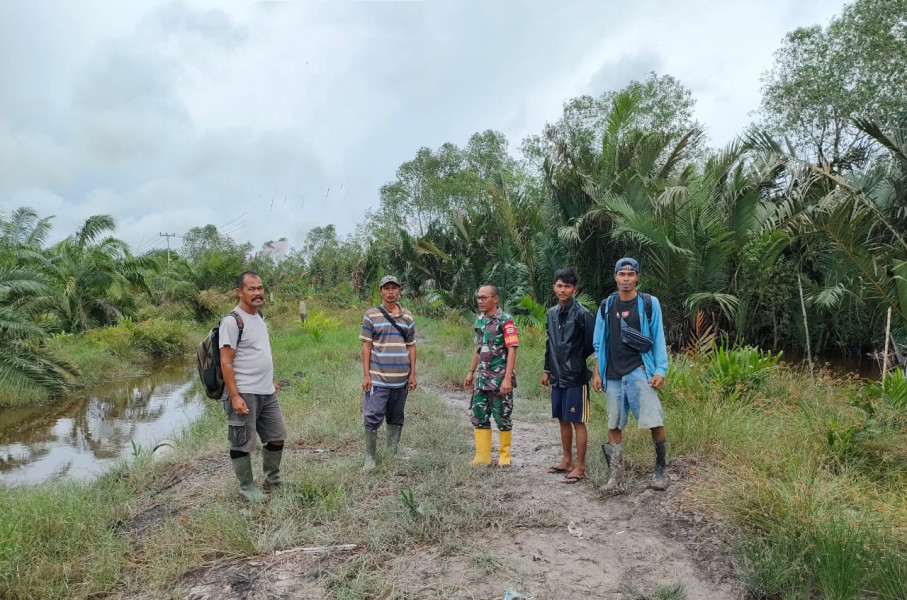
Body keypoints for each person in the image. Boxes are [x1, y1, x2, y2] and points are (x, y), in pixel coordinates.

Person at [592, 257, 670, 491]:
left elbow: (658, 337)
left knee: (654, 421)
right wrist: (597, 373)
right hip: (613, 375)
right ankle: (615, 478)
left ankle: (660, 471)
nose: (626, 278)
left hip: (640, 371)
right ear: (615, 277)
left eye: (630, 274)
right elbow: (599, 343)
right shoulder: (606, 305)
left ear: (637, 277)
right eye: (621, 274)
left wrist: (660, 371)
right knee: (614, 424)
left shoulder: (648, 303)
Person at [220, 271, 288, 502]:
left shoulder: (259, 317)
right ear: (240, 292)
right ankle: (246, 487)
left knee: (277, 436)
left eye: (260, 288)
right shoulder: (232, 321)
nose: (258, 293)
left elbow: (260, 351)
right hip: (244, 391)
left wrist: (271, 378)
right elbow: (226, 362)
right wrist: (235, 395)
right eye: (252, 289)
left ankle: (272, 477)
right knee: (242, 442)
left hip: (266, 391)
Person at [541, 268, 595, 484]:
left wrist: (574, 359)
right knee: (562, 418)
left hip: (575, 377)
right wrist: (547, 369)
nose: (563, 290)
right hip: (557, 375)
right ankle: (566, 461)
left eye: (567, 286)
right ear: (554, 287)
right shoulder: (552, 313)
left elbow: (592, 344)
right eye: (559, 285)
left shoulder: (582, 314)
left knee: (577, 420)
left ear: (574, 289)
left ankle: (580, 467)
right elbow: (550, 343)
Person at [359, 275, 417, 472]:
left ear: (400, 290)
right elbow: (366, 346)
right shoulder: (371, 315)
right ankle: (370, 458)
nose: (390, 292)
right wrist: (366, 375)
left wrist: (412, 374)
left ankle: (392, 453)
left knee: (396, 416)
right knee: (373, 415)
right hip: (378, 377)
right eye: (386, 288)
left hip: (401, 379)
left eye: (394, 288)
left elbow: (411, 347)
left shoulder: (407, 316)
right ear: (380, 291)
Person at [465, 284, 519, 467]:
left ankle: (504, 455)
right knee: (479, 415)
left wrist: (507, 378)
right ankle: (482, 456)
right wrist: (471, 372)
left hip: (499, 379)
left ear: (495, 299)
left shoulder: (506, 321)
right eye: (479, 297)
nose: (480, 301)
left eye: (484, 297)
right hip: (481, 378)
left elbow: (512, 350)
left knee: (502, 416)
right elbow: (478, 348)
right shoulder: (480, 320)